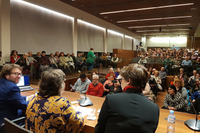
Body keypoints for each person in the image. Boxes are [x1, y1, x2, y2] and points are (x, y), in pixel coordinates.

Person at [95, 63, 159, 133]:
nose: (121, 82)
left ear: (129, 81)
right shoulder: (155, 108)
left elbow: (99, 129)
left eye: (122, 79)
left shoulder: (111, 100)